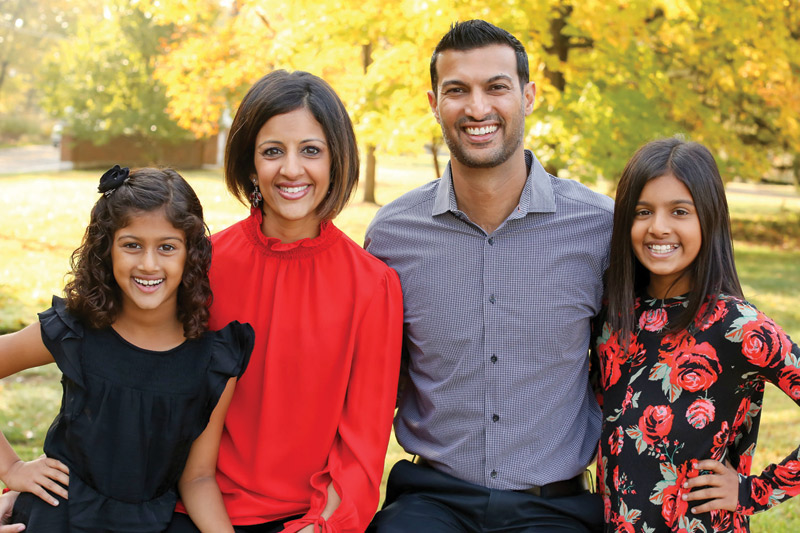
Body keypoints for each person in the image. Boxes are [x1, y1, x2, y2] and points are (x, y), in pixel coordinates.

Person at [365, 20, 613, 533]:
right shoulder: (392, 236)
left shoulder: (598, 229)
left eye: (496, 87)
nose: (477, 108)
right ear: (434, 103)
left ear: (528, 96)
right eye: (457, 90)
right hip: (432, 501)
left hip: (554, 507)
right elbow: (369, 381)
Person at [165, 70, 403, 533]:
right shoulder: (201, 265)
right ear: (250, 164)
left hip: (307, 520)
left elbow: (361, 452)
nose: (291, 169)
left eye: (311, 150)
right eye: (273, 151)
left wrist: (317, 528)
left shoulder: (373, 286)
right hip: (190, 509)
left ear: (336, 160)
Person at [0, 166, 254, 532]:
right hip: (58, 518)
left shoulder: (211, 361)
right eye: (132, 245)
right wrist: (11, 468)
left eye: (167, 247)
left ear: (191, 254)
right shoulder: (76, 330)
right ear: (107, 250)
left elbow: (198, 477)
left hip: (150, 524)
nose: (149, 264)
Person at [593, 137, 800, 531]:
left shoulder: (737, 326)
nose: (658, 227)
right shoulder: (613, 317)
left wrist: (755, 491)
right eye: (643, 211)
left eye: (679, 211)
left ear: (709, 218)